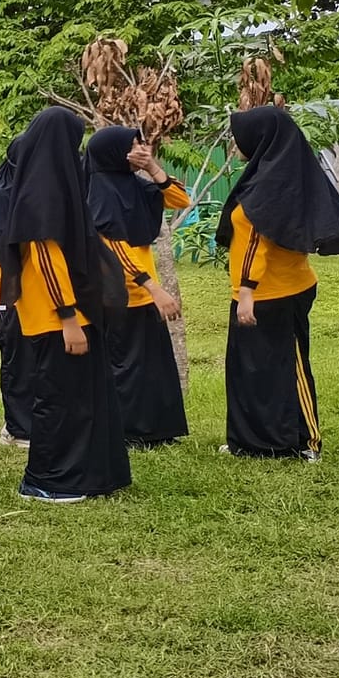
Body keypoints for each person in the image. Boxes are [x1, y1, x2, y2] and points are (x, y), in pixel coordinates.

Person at [0, 107, 131, 503]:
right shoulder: (41, 192)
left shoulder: (55, 188)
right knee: (59, 400)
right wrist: (68, 316)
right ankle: (48, 481)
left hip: (72, 313)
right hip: (56, 318)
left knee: (82, 399)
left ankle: (88, 474)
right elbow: (46, 260)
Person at [217, 106, 339, 459]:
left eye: (239, 138)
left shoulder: (269, 185)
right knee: (250, 369)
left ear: (260, 139)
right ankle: (253, 442)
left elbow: (256, 240)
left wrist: (247, 293)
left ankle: (306, 443)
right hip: (261, 291)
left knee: (289, 366)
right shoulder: (273, 174)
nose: (235, 144)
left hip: (274, 293)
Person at [86, 126, 192, 448]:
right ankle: (130, 433)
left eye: (141, 145)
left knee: (154, 365)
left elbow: (180, 199)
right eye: (133, 146)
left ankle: (158, 430)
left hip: (145, 292)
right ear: (113, 152)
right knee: (128, 367)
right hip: (122, 295)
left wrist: (153, 168)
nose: (140, 150)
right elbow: (114, 248)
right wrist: (152, 288)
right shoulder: (100, 191)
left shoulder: (135, 185)